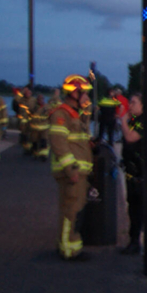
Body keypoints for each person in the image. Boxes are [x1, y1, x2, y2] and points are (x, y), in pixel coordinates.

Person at [48, 74, 95, 261]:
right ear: (75, 92)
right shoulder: (61, 115)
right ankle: (69, 250)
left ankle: (69, 245)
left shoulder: (75, 115)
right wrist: (71, 170)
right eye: (84, 93)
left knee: (74, 208)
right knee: (71, 210)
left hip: (79, 172)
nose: (86, 97)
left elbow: (78, 141)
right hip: (72, 173)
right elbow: (59, 144)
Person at [119, 94, 144, 255]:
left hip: (140, 176)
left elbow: (130, 137)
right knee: (132, 208)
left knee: (138, 209)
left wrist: (122, 120)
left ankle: (135, 242)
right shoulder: (134, 121)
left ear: (143, 106)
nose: (130, 105)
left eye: (134, 103)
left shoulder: (144, 122)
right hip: (130, 172)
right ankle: (133, 240)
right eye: (130, 102)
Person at [27, 94, 51, 161]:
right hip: (35, 128)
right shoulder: (33, 107)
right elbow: (29, 114)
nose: (41, 100)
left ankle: (43, 155)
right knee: (34, 141)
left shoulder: (47, 107)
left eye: (42, 99)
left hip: (44, 127)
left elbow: (50, 116)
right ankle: (35, 153)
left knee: (44, 141)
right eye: (39, 99)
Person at [16, 86, 33, 155]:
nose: (27, 93)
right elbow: (16, 99)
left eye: (29, 92)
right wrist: (22, 91)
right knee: (24, 136)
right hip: (23, 122)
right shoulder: (21, 100)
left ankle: (30, 149)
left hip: (31, 121)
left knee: (31, 136)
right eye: (26, 92)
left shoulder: (33, 100)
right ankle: (26, 149)